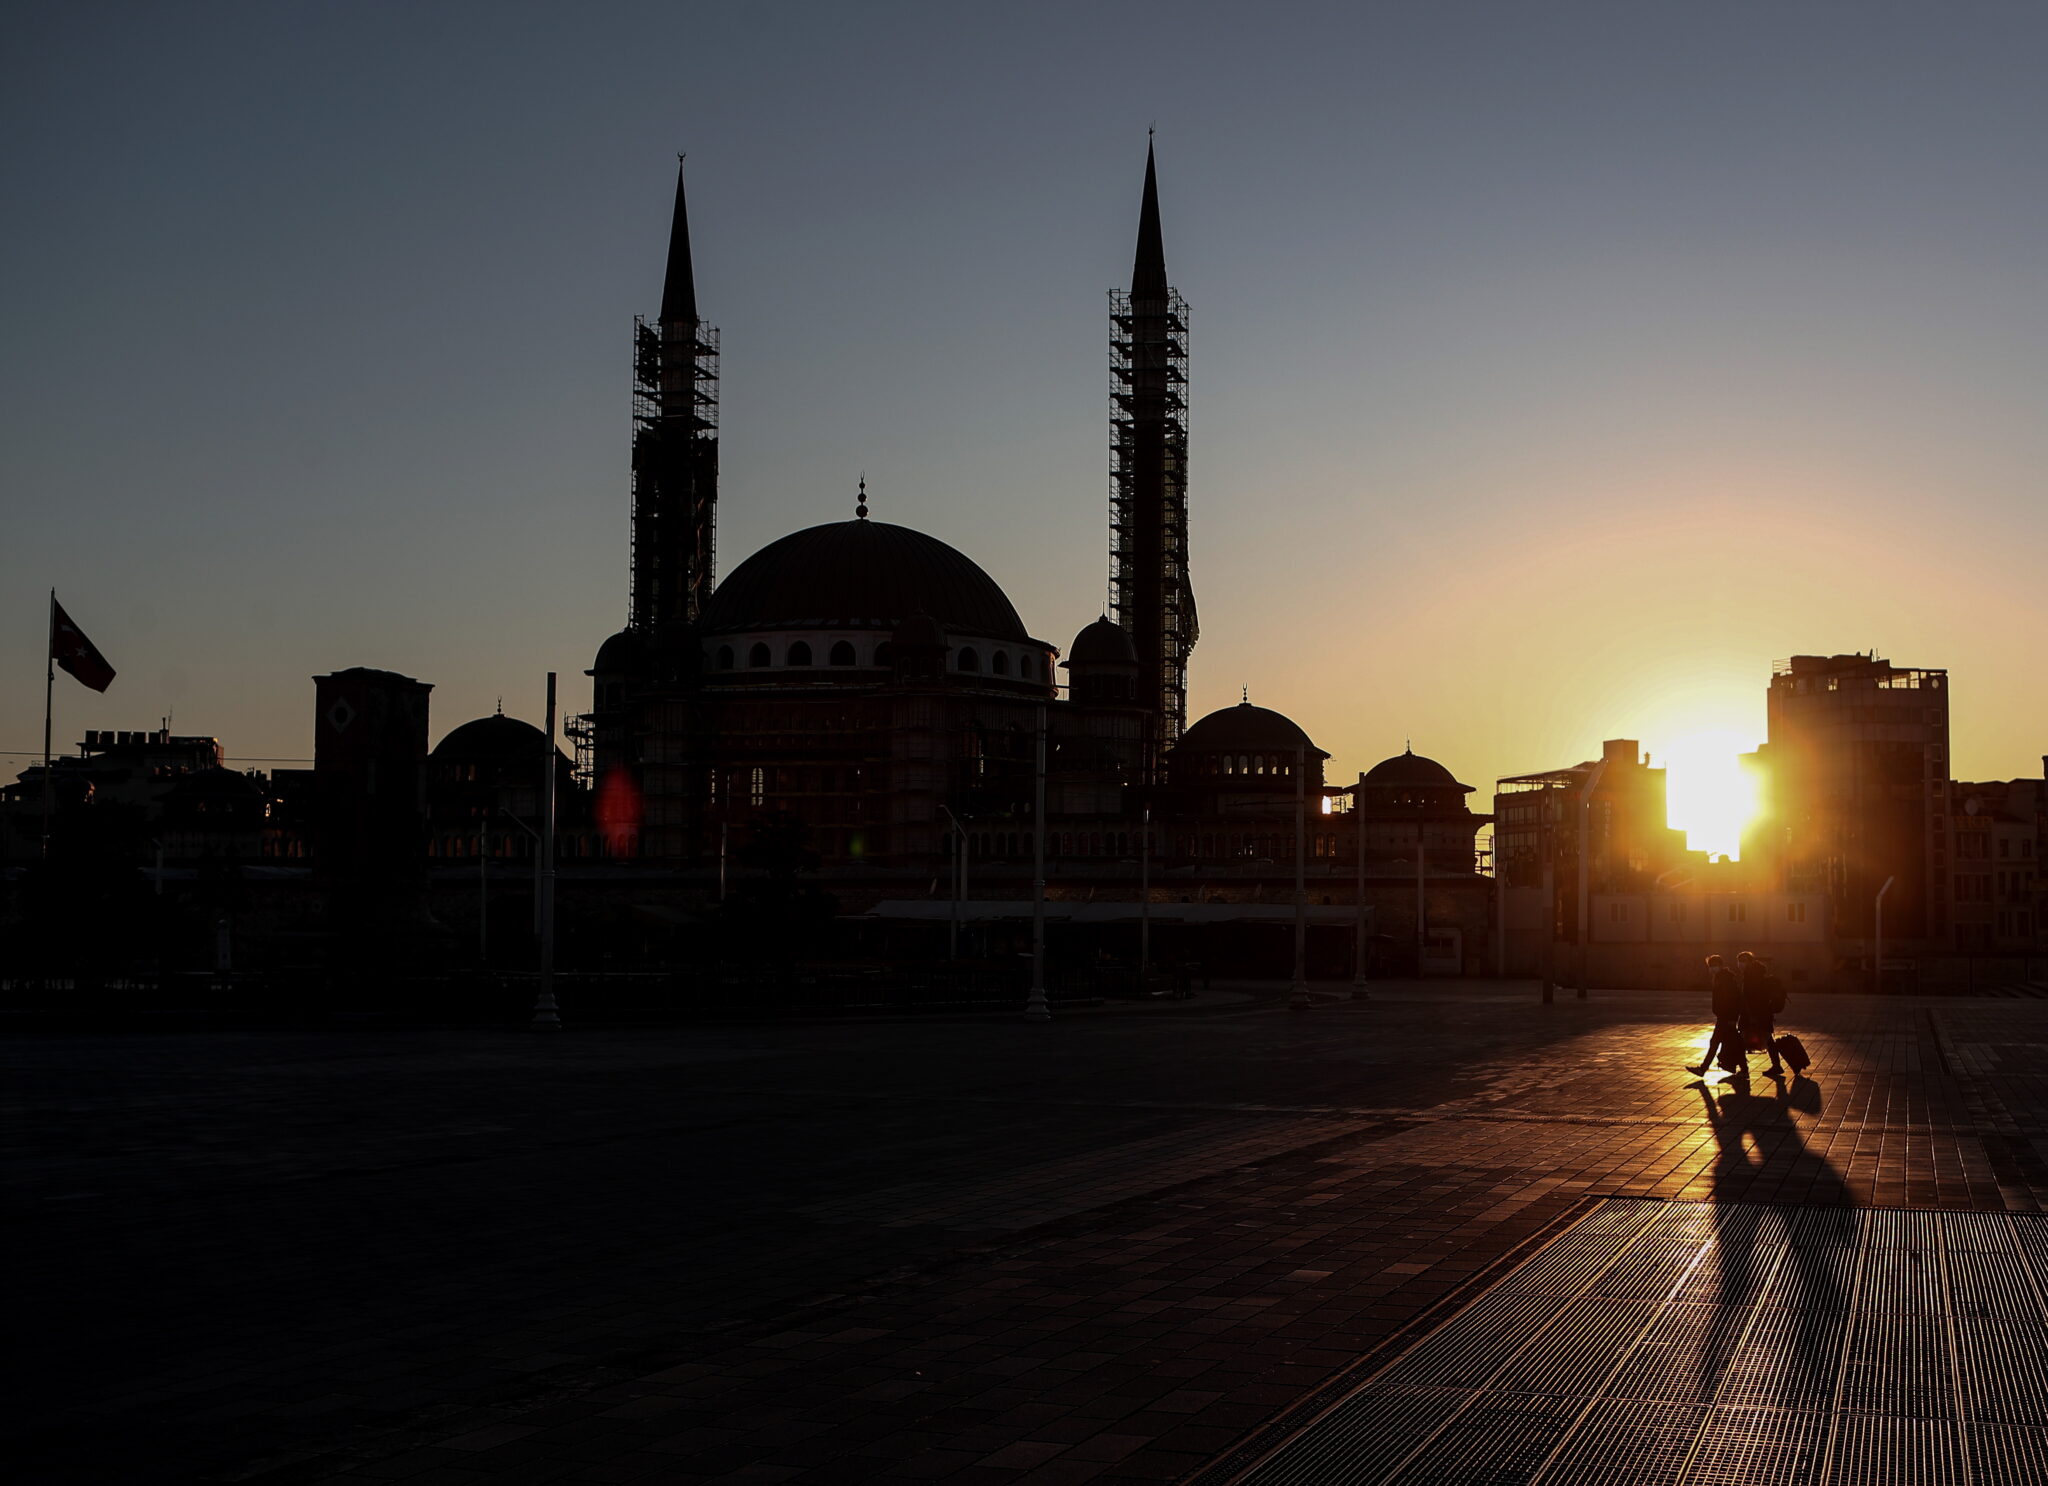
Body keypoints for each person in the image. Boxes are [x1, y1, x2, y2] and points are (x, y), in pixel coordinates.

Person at [1688, 954, 1743, 1076]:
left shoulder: (1725, 980)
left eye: (1714, 965)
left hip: (1726, 1018)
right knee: (1733, 1043)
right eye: (1710, 966)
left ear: (1720, 965)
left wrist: (1732, 1018)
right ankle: (1743, 1069)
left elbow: (1733, 1000)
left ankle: (1703, 1069)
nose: (1712, 968)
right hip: (1724, 1017)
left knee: (1716, 1042)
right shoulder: (1721, 978)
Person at [1737, 950, 1785, 1078]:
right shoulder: (1756, 974)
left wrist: (1753, 1016)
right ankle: (1776, 1065)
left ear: (1750, 962)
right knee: (1768, 1040)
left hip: (1754, 1015)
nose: (1740, 964)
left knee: (1742, 1039)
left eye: (1743, 961)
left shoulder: (1751, 977)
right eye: (1739, 961)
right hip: (1762, 1014)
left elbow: (1753, 998)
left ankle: (1744, 1069)